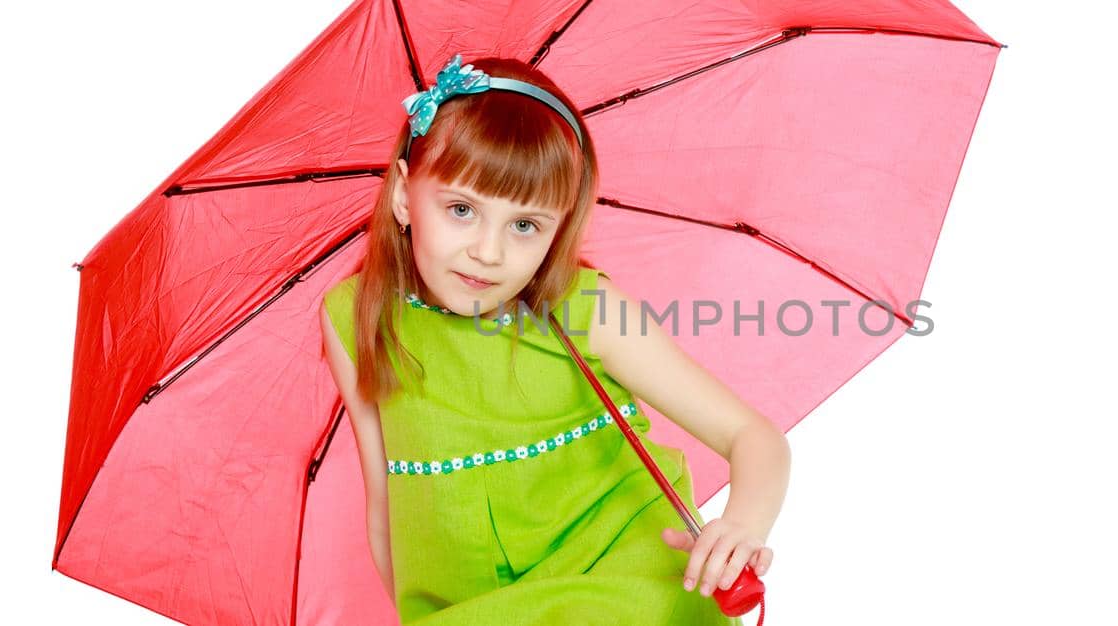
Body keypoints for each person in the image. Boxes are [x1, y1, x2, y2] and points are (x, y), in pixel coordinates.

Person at [318, 54, 790, 625]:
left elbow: (753, 435)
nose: (489, 252)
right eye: (462, 209)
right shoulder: (355, 318)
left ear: (558, 228)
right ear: (402, 196)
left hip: (625, 592)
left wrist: (741, 526)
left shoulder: (583, 308)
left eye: (525, 225)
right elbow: (385, 505)